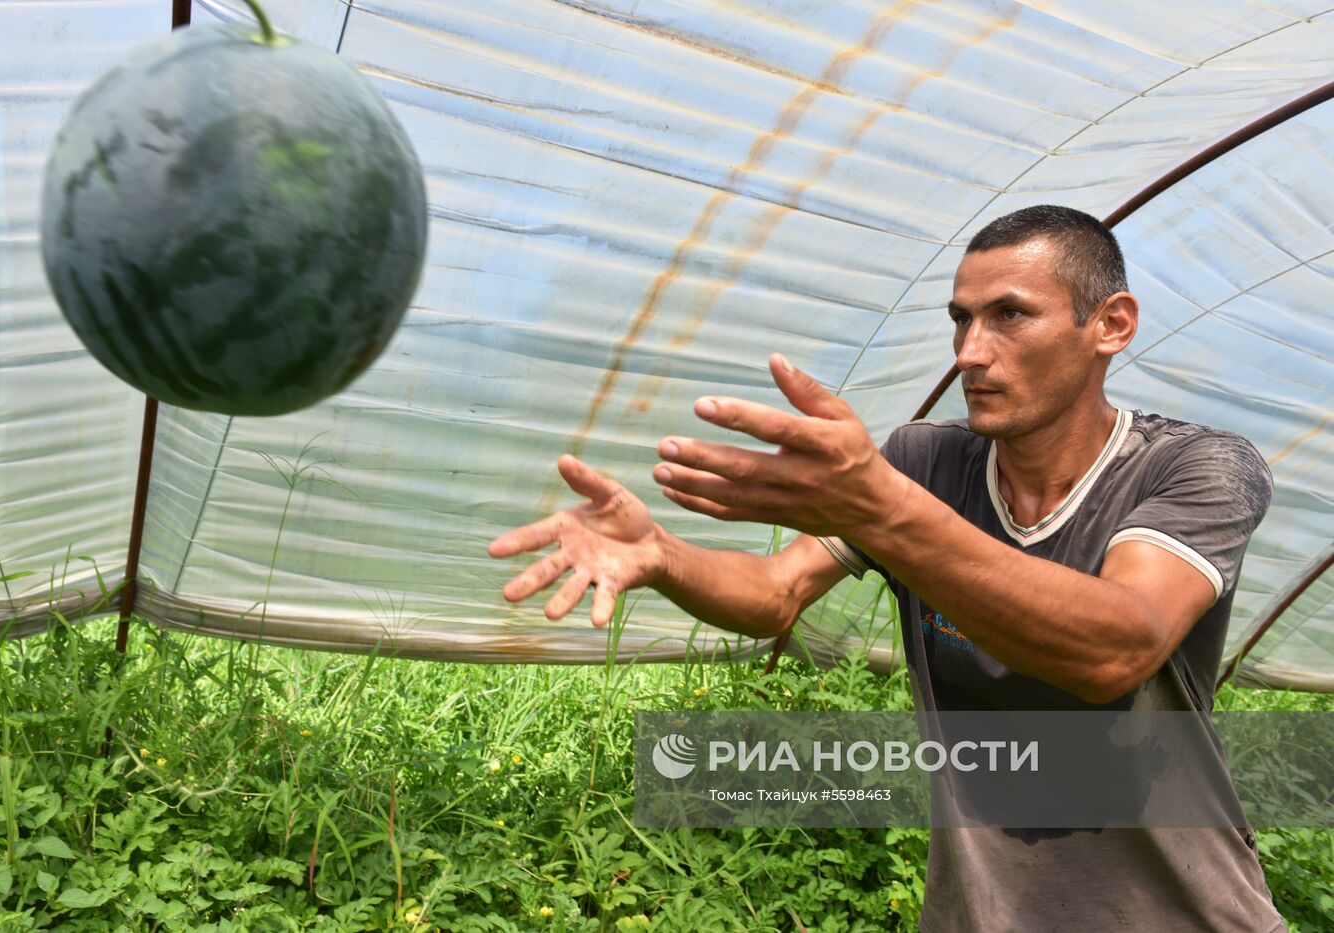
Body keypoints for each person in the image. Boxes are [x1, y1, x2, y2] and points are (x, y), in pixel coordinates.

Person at [488, 205, 1285, 932]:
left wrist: (883, 508)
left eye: (1010, 314)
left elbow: (1116, 646)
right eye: (961, 319)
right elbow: (776, 592)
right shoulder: (925, 464)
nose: (972, 352)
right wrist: (664, 555)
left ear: (1111, 324)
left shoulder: (1196, 468)